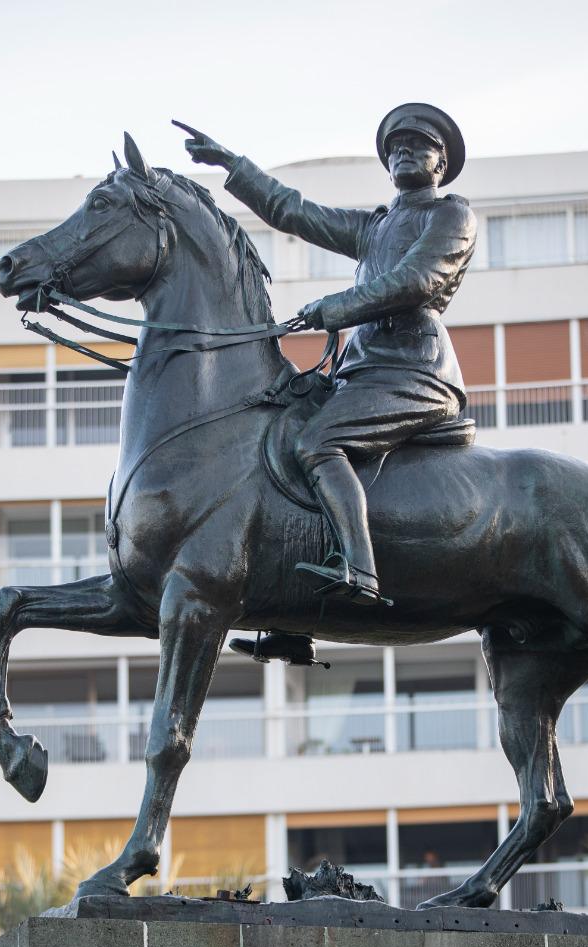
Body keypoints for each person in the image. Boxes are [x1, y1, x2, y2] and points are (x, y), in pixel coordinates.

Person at [178, 104, 478, 605]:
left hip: (414, 372)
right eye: (395, 148)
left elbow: (418, 280)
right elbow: (295, 211)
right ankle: (291, 612)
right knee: (275, 439)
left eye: (418, 145)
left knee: (317, 443)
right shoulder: (375, 226)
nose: (403, 152)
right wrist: (234, 167)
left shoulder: (450, 213)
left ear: (440, 163)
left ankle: (360, 571)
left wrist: (335, 306)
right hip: (362, 373)